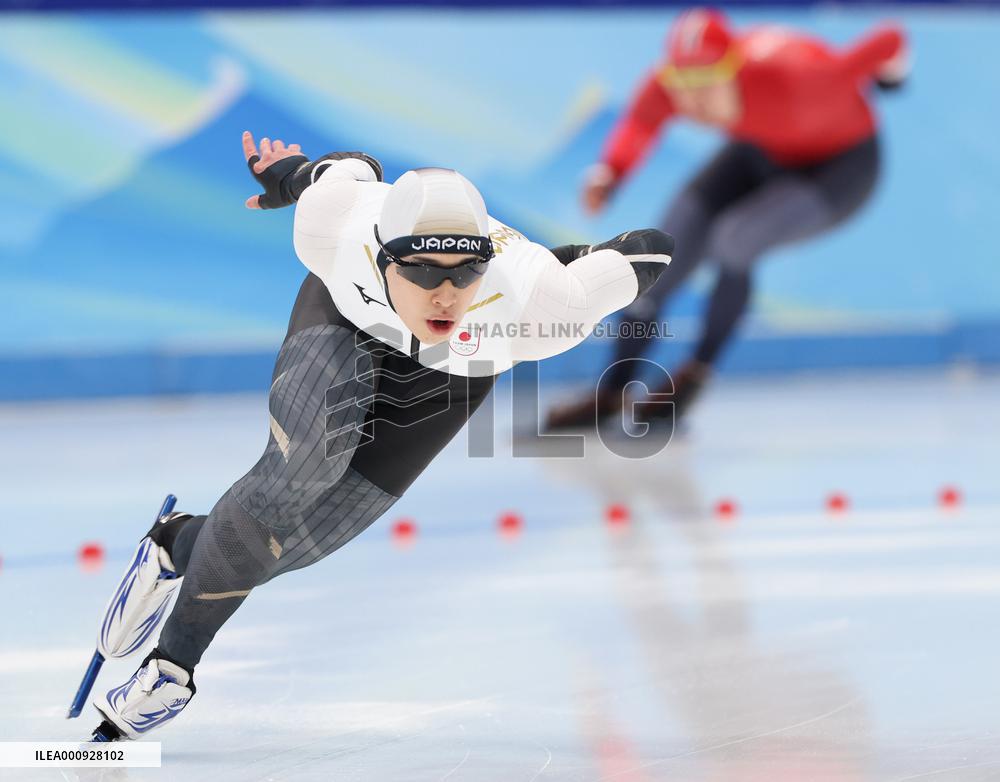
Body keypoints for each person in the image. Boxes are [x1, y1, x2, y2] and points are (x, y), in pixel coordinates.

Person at [86, 132, 674, 741]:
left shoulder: (540, 304)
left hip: (454, 374)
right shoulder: (334, 227)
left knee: (298, 542)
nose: (445, 294)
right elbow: (348, 168)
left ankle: (176, 545)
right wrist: (291, 176)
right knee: (303, 465)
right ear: (383, 256)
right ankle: (172, 669)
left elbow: (653, 249)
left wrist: (594, 263)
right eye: (421, 272)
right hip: (345, 323)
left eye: (467, 272)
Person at [545, 8, 908, 430]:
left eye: (705, 82)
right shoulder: (672, 85)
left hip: (839, 167)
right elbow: (641, 122)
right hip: (759, 149)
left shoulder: (800, 76)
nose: (693, 99)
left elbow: (890, 38)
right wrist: (610, 173)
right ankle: (610, 395)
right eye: (683, 82)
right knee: (657, 256)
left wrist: (892, 77)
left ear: (735, 70)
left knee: (736, 238)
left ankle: (694, 376)